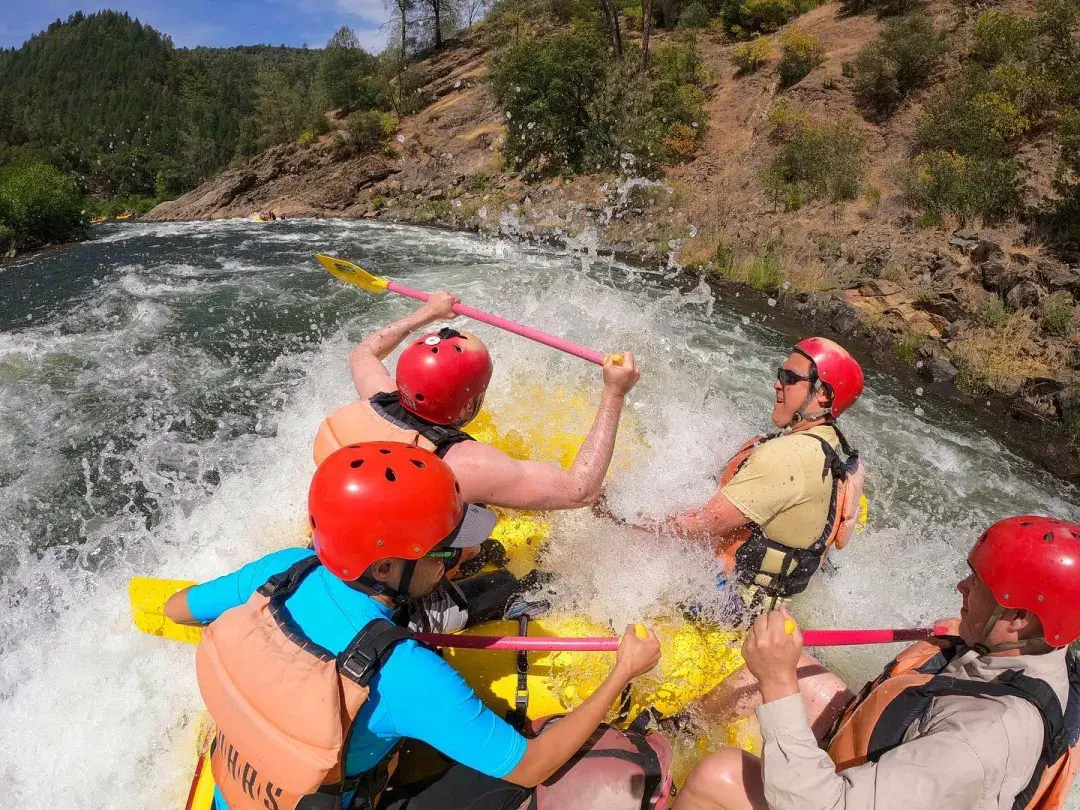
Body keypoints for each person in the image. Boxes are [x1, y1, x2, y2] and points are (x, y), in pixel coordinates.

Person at [164, 441, 661, 810]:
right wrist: (622, 673)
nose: (455, 563)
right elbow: (532, 764)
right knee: (555, 764)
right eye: (443, 552)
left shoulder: (281, 572)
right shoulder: (404, 673)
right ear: (383, 568)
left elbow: (177, 608)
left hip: (231, 789)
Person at [675, 515, 1080, 810]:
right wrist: (968, 631)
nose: (962, 586)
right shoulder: (1022, 650)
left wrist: (778, 682)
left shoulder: (980, 739)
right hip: (889, 782)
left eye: (979, 585)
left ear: (1018, 618)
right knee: (789, 672)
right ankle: (671, 736)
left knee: (721, 773)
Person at [314, 292, 640, 510]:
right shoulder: (465, 463)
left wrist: (427, 313)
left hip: (336, 535)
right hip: (398, 576)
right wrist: (614, 393)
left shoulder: (376, 399)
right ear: (468, 406)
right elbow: (579, 491)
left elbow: (364, 352)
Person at [661, 337, 865, 608]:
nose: (776, 383)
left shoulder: (788, 456)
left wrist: (623, 517)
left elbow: (700, 526)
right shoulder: (836, 450)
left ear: (823, 394)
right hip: (771, 603)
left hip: (729, 605)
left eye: (789, 378)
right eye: (779, 374)